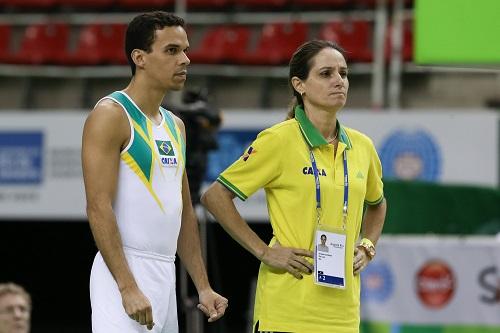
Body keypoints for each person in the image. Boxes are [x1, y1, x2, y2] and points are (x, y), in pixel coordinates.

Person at [201, 40, 387, 332]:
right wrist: (264, 251)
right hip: (286, 311)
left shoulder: (362, 146)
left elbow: (377, 203)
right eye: (326, 73)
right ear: (299, 85)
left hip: (343, 316)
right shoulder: (278, 140)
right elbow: (215, 197)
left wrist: (367, 246)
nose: (339, 81)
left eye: (344, 73)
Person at [82, 11, 227, 333]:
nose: (186, 60)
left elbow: (185, 212)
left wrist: (202, 286)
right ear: (140, 58)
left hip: (165, 275)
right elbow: (97, 206)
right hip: (122, 271)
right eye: (172, 51)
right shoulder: (111, 115)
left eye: (186, 50)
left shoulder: (176, 125)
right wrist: (127, 287)